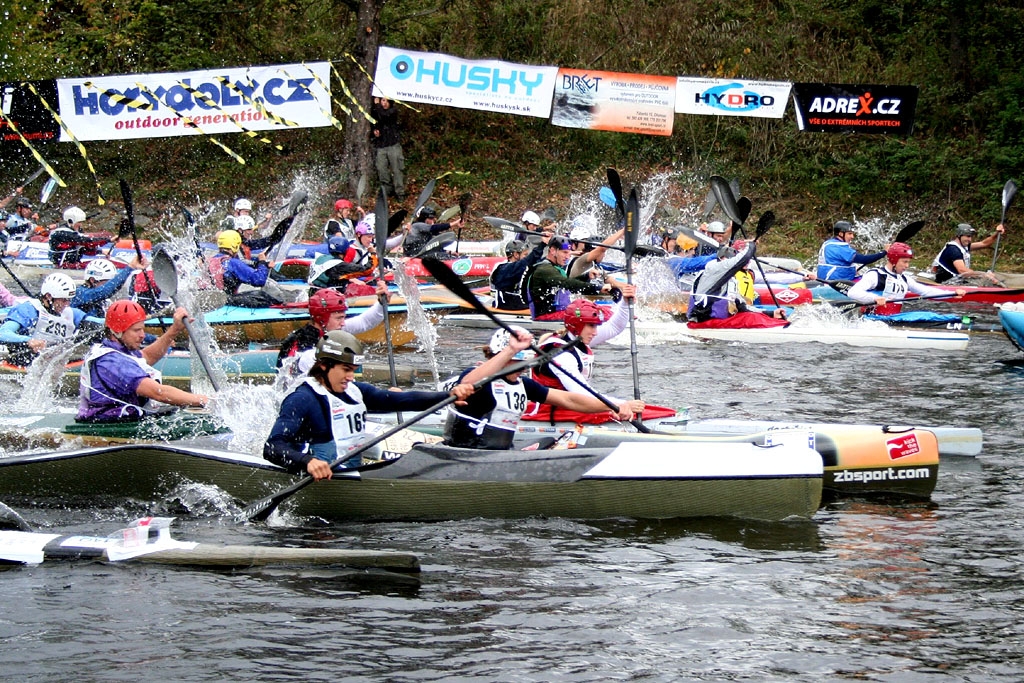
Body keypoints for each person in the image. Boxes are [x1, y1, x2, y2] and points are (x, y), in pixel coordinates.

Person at [264, 330, 473, 478]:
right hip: (321, 478)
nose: (350, 376)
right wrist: (307, 462)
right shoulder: (301, 400)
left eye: (353, 370)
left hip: (351, 472)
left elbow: (400, 400)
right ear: (325, 366)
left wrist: (447, 396)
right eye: (346, 369)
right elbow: (272, 446)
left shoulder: (355, 391)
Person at [442, 326, 636, 450]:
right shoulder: (478, 380)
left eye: (524, 362)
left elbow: (569, 400)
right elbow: (466, 384)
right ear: (499, 357)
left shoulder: (524, 385)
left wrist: (612, 406)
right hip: (465, 452)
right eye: (515, 362)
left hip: (499, 452)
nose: (522, 368)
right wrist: (510, 349)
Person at [75, 300, 209, 422]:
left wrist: (174, 330)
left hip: (125, 417)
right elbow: (159, 393)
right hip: (111, 423)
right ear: (117, 331)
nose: (142, 335)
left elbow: (146, 356)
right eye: (136, 330)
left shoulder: (118, 349)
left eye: (142, 329)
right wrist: (205, 400)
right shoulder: (113, 363)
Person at [530, 298, 644, 415]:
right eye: (591, 326)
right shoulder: (562, 356)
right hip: (551, 412)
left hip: (575, 405)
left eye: (596, 326)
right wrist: (621, 404)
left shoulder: (577, 338)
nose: (595, 332)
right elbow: (581, 393)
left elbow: (614, 327)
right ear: (576, 325)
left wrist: (625, 302)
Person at [276, 286, 390, 382]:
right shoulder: (302, 343)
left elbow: (364, 322)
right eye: (339, 318)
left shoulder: (332, 329)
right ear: (322, 318)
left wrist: (381, 303)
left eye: (344, 317)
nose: (343, 323)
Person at [525, 235, 629, 320]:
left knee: (605, 310)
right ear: (553, 250)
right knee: (603, 314)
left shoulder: (553, 267)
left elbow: (567, 283)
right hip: (546, 317)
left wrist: (586, 276)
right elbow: (568, 284)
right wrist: (598, 288)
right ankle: (623, 320)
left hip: (558, 313)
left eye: (569, 253)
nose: (567, 257)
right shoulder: (545, 269)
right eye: (564, 252)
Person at [687, 241, 788, 328]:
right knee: (751, 318)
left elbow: (743, 307)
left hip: (719, 322)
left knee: (752, 316)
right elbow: (744, 258)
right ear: (720, 258)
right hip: (702, 323)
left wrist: (770, 314)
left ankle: (780, 324)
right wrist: (751, 245)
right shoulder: (713, 270)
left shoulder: (731, 281)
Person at [849, 242, 967, 314]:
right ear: (894, 261)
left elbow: (926, 291)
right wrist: (875, 298)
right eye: (904, 262)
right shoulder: (875, 275)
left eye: (908, 262)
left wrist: (952, 294)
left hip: (894, 319)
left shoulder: (904, 279)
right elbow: (853, 292)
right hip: (873, 320)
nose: (907, 266)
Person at [0, 272, 88, 366]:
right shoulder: (29, 310)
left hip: (52, 362)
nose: (67, 304)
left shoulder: (71, 313)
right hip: (25, 360)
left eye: (69, 300)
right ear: (48, 296)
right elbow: (3, 333)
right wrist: (28, 340)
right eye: (63, 300)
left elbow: (96, 321)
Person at [207, 229, 279, 307]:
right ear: (235, 246)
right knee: (263, 296)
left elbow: (244, 265)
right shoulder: (233, 263)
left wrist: (262, 264)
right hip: (229, 303)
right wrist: (262, 262)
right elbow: (259, 280)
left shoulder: (210, 261)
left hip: (215, 302)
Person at [70, 256, 145, 318]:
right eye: (108, 282)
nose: (111, 285)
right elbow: (105, 291)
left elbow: (114, 287)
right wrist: (130, 267)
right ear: (93, 280)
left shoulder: (105, 301)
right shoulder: (79, 293)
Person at [931, 222, 1005, 285]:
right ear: (959, 236)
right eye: (967, 236)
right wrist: (984, 275)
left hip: (955, 280)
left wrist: (997, 234)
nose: (970, 240)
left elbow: (984, 243)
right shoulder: (953, 250)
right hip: (944, 282)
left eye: (970, 237)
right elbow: (962, 271)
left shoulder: (963, 246)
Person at [815, 220, 886, 282]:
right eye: (849, 234)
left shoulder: (829, 243)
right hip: (835, 282)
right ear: (840, 234)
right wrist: (884, 253)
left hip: (832, 279)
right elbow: (864, 259)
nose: (852, 236)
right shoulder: (838, 247)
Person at [307, 234, 377, 292]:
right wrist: (373, 254)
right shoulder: (339, 265)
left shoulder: (321, 258)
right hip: (327, 298)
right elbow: (368, 270)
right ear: (346, 250)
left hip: (313, 292)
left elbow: (335, 275)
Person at [489, 239, 545, 311]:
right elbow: (526, 263)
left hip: (518, 305)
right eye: (525, 255)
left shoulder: (517, 268)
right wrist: (542, 245)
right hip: (506, 308)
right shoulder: (505, 269)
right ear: (516, 254)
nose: (526, 257)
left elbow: (537, 262)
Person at [371, 96, 406, 201]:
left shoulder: (392, 111)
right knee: (382, 169)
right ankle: (387, 190)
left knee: (397, 169)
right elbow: (374, 121)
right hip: (381, 145)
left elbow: (385, 116)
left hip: (393, 144)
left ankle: (400, 193)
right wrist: (375, 130)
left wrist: (377, 105)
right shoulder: (376, 111)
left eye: (386, 101)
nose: (384, 103)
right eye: (382, 100)